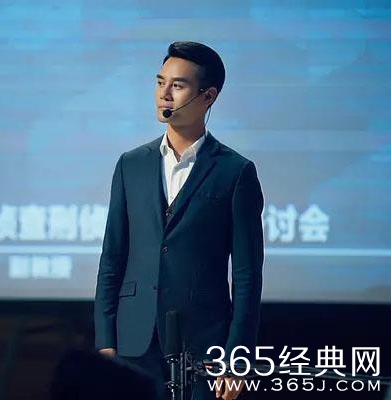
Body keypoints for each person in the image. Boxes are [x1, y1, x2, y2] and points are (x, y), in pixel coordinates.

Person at [94, 41, 265, 400]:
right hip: (133, 341)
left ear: (208, 96)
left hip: (203, 345)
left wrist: (238, 358)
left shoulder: (235, 172)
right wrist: (105, 340)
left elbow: (247, 276)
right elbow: (112, 257)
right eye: (160, 82)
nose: (164, 94)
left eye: (178, 85)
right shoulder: (131, 164)